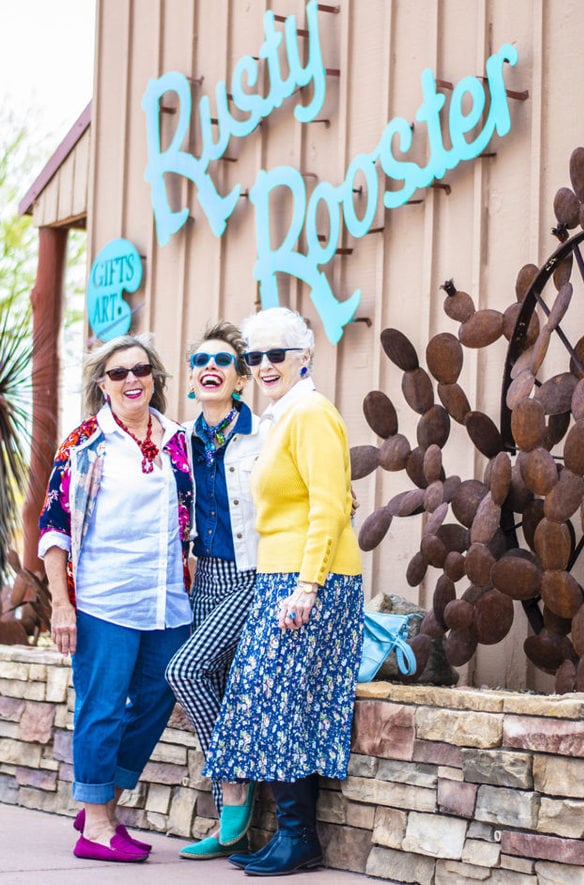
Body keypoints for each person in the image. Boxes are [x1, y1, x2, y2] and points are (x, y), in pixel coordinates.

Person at [202, 306, 364, 877]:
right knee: (269, 703)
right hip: (280, 578)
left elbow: (328, 504)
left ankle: (300, 839)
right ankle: (291, 837)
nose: (265, 365)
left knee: (283, 703)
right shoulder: (280, 417)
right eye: (256, 356)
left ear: (304, 357)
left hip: (309, 581)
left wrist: (307, 585)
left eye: (277, 354)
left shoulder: (311, 413)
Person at [38, 334, 193, 864]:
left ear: (155, 378)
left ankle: (99, 799)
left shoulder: (177, 439)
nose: (132, 379)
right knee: (101, 707)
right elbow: (54, 529)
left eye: (141, 370)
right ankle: (98, 827)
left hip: (168, 599)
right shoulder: (85, 443)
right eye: (119, 372)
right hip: (104, 599)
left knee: (162, 692)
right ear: (102, 384)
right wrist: (62, 602)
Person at [165, 321, 268, 861]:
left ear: (241, 377)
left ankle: (233, 789)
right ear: (191, 376)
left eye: (223, 360)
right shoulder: (178, 440)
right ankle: (232, 827)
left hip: (252, 575)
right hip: (204, 576)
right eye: (201, 360)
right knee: (220, 689)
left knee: (184, 670)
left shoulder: (265, 432)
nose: (210, 367)